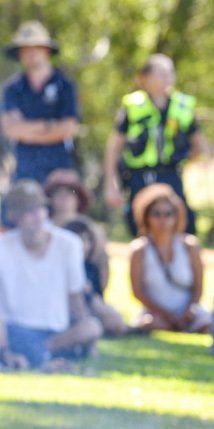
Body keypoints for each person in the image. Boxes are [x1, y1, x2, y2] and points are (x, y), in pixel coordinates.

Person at [0, 181, 101, 370]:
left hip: (55, 332)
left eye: (40, 208)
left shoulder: (69, 244)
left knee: (91, 327)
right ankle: (35, 357)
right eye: (29, 211)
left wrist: (87, 336)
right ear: (15, 217)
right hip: (14, 329)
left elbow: (75, 297)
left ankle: (36, 355)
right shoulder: (3, 247)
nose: (37, 216)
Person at [103, 54, 201, 236]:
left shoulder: (183, 106)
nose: (167, 78)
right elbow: (114, 147)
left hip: (170, 174)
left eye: (170, 73)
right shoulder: (132, 105)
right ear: (146, 77)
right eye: (161, 73)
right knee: (140, 228)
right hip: (139, 176)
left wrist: (183, 161)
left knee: (183, 226)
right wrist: (111, 183)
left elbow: (197, 145)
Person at [1, 22, 79, 184]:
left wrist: (27, 130)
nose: (31, 54)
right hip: (23, 171)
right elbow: (11, 128)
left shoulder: (65, 86)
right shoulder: (12, 89)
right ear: (19, 54)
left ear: (47, 50)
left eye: (36, 48)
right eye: (26, 49)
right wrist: (50, 125)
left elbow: (69, 128)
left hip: (60, 172)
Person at [129, 183, 211, 333]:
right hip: (155, 314)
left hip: (188, 312)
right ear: (146, 216)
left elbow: (198, 289)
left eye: (168, 214)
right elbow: (137, 292)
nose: (163, 220)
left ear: (177, 215)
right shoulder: (139, 250)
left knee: (208, 324)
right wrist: (165, 315)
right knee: (149, 324)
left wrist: (186, 312)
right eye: (157, 214)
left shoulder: (190, 246)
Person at [63, 216, 129, 337]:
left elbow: (97, 299)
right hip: (68, 314)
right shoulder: (60, 268)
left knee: (115, 321)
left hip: (91, 310)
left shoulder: (91, 268)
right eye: (79, 239)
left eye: (87, 240)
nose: (84, 245)